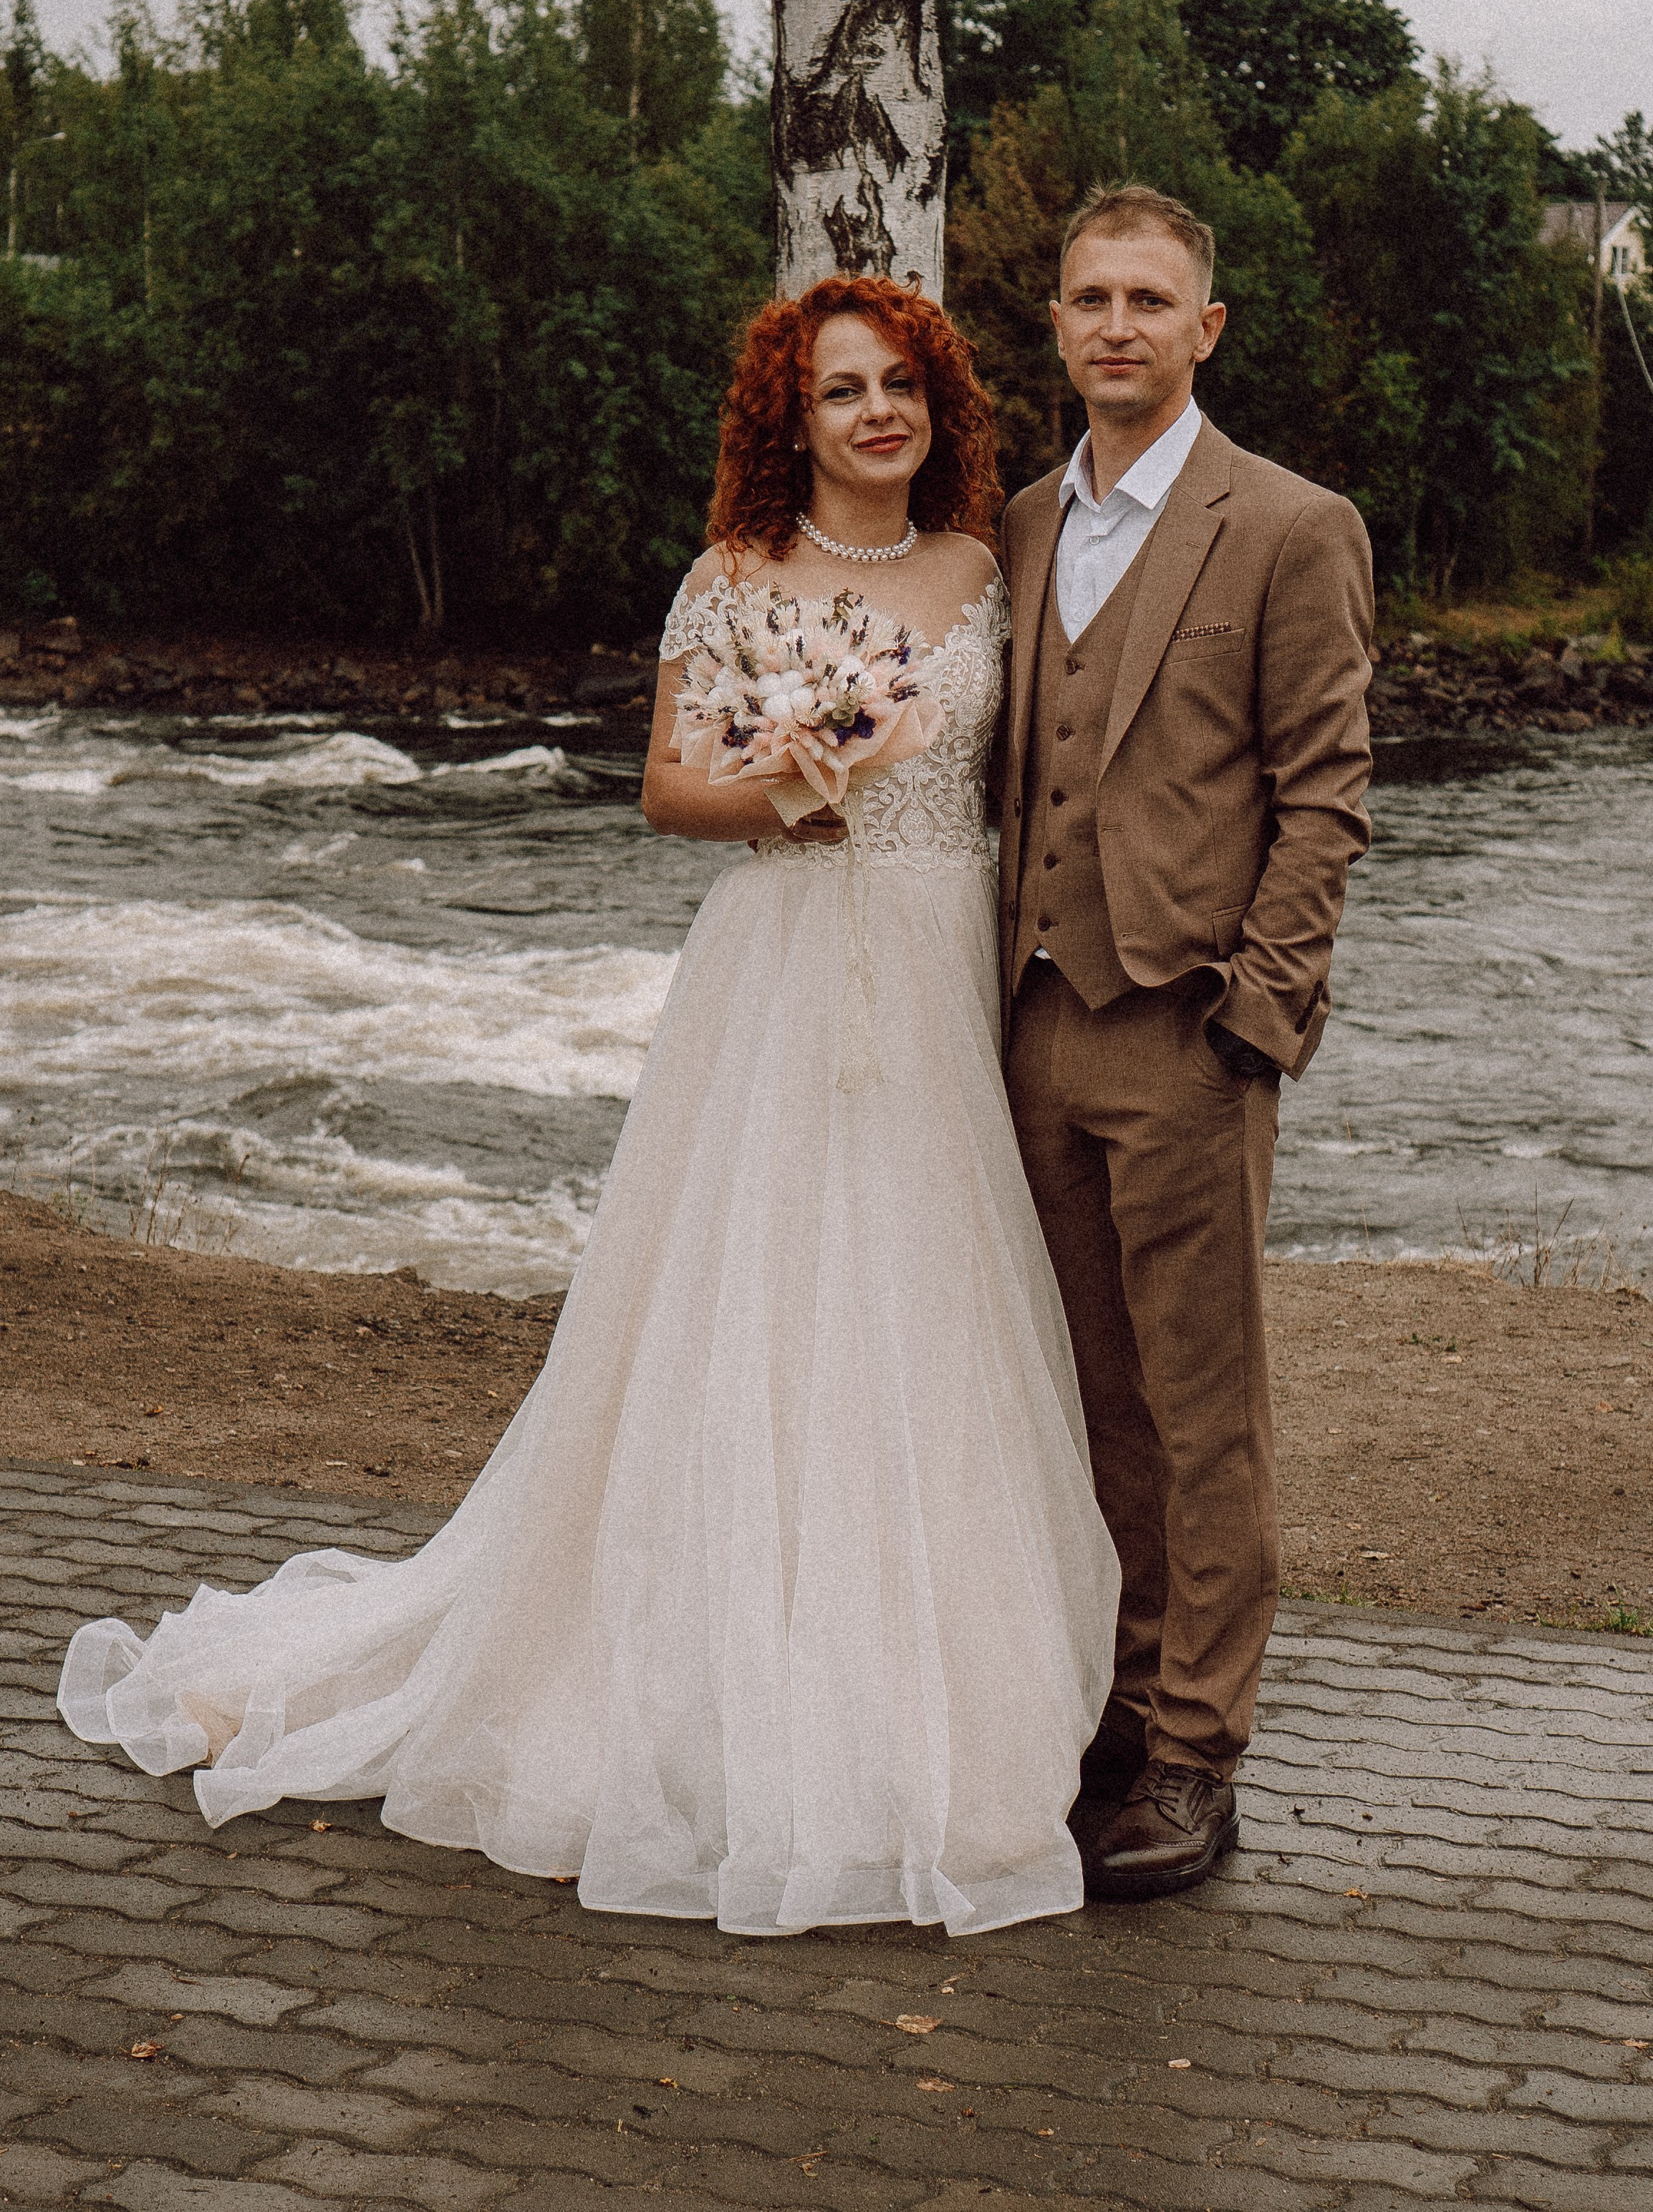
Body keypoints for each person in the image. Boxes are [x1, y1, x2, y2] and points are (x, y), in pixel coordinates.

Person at [58, 274, 1120, 1941]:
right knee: (747, 1314)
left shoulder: (984, 571)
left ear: (941, 408)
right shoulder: (732, 579)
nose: (877, 415)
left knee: (927, 1312)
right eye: (842, 391)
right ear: (794, 417)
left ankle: (933, 1688)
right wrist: (792, 778)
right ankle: (698, 1686)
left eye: (902, 385)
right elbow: (663, 790)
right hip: (775, 970)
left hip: (933, 984)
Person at [999, 183, 1373, 1901]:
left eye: (1152, 299)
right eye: (1091, 298)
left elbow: (1325, 798)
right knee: (1081, 1401)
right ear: (1058, 325)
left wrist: (1256, 1017)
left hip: (1185, 1032)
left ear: (1204, 328)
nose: (1120, 326)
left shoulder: (1291, 526)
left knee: (1201, 1409)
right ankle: (1111, 1705)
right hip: (1024, 1030)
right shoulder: (1011, 524)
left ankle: (1196, 1753)